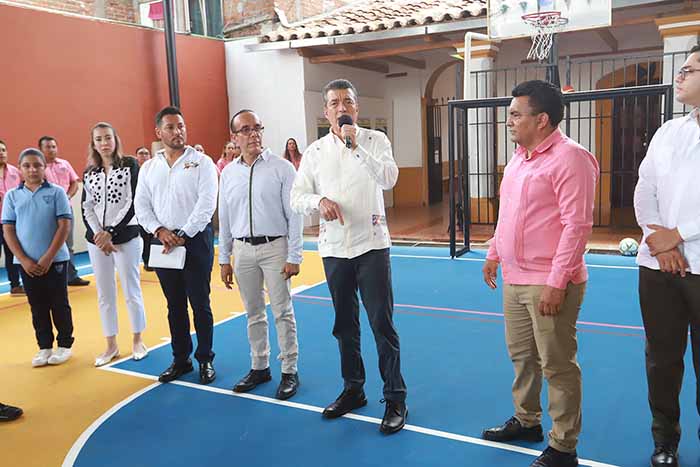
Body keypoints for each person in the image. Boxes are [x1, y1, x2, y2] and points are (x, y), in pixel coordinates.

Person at [480, 80, 598, 467]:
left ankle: (563, 446)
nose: (509, 121)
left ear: (542, 119)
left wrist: (557, 281)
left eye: (516, 114)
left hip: (548, 281)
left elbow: (577, 226)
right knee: (522, 357)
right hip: (515, 278)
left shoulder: (571, 159)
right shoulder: (519, 157)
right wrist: (494, 253)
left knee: (557, 365)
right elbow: (507, 213)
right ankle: (527, 420)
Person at [291, 79, 407, 434]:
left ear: (356, 108)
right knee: (344, 325)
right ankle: (353, 389)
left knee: (381, 324)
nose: (341, 107)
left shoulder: (375, 140)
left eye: (347, 101)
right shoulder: (314, 152)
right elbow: (297, 197)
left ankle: (395, 396)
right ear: (325, 111)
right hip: (334, 249)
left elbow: (389, 179)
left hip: (371, 245)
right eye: (334, 103)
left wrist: (355, 146)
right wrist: (319, 201)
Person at [633, 44, 700, 467]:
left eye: (690, 69)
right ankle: (665, 440)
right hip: (658, 266)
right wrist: (660, 238)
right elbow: (645, 188)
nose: (680, 74)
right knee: (661, 359)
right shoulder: (669, 131)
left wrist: (679, 234)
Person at [219, 110, 303, 400]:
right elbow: (225, 218)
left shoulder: (282, 168)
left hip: (275, 248)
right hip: (242, 251)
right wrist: (224, 258)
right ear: (234, 137)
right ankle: (260, 366)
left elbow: (294, 216)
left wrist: (294, 256)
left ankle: (290, 370)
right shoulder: (228, 173)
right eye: (245, 129)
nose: (253, 133)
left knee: (282, 311)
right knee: (253, 312)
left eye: (257, 128)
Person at [134, 106, 218, 385]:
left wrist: (183, 233)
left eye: (180, 126)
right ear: (159, 132)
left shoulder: (202, 162)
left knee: (200, 304)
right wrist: (159, 230)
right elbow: (141, 205)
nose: (177, 131)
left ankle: (205, 359)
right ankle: (181, 359)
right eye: (170, 127)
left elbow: (207, 203)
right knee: (175, 305)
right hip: (163, 244)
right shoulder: (149, 167)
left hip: (195, 243)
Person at [82, 123, 148, 367]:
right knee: (105, 293)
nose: (104, 143)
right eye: (99, 139)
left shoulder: (129, 165)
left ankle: (138, 340)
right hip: (98, 242)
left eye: (108, 137)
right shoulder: (90, 172)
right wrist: (98, 234)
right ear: (93, 143)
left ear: (115, 139)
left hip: (126, 237)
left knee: (132, 290)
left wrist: (111, 232)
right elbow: (87, 206)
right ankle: (111, 344)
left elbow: (133, 201)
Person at [2, 148, 75, 367]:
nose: (32, 169)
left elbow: (64, 226)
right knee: (37, 305)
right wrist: (24, 259)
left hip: (55, 260)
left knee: (59, 303)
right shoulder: (12, 196)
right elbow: (8, 229)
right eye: (27, 165)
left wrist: (48, 257)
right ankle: (44, 346)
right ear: (20, 169)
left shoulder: (57, 193)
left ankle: (64, 344)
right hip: (27, 264)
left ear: (44, 168)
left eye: (37, 165)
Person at [38, 136, 89, 286]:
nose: (51, 150)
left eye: (54, 146)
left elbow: (74, 183)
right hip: (46, 211)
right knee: (47, 244)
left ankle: (71, 276)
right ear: (40, 149)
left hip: (66, 210)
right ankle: (49, 277)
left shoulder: (64, 164)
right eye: (48, 147)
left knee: (68, 244)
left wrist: (67, 196)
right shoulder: (38, 167)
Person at [0, 139, 24, 295]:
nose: (1, 153)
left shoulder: (16, 172)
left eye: (3, 150)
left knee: (13, 253)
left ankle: (15, 285)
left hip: (12, 221)